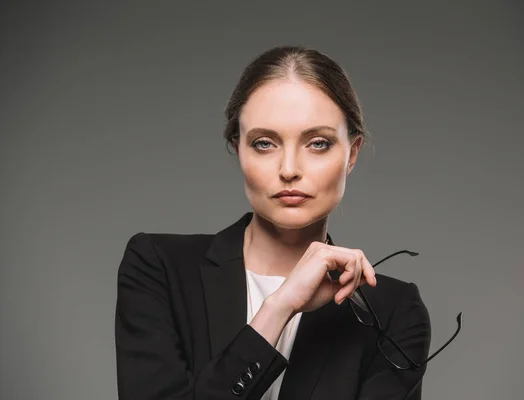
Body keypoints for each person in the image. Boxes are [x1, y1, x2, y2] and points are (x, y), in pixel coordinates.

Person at [114, 45, 433, 400]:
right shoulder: (158, 267)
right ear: (238, 149)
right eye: (265, 143)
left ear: (352, 153)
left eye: (318, 143)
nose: (289, 169)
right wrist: (280, 307)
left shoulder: (392, 312)